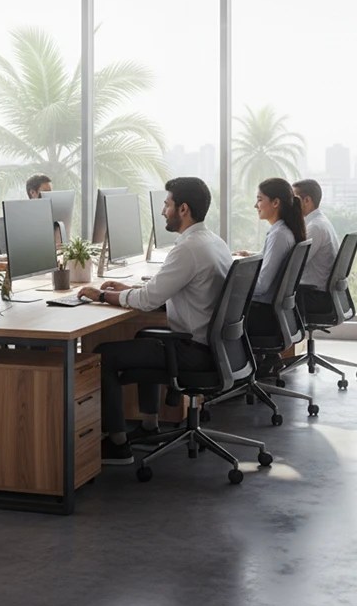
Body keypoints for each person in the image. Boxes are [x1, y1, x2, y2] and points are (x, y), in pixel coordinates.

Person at [76, 177, 232, 465]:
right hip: (217, 348)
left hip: (194, 352)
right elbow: (157, 293)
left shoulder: (187, 249)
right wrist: (125, 291)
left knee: (103, 356)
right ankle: (149, 424)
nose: (163, 211)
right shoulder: (213, 242)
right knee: (146, 337)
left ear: (183, 209)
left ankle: (118, 444)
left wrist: (100, 295)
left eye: (167, 204)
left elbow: (147, 302)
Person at [245, 178, 306, 303]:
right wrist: (251, 255)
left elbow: (262, 286)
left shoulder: (279, 235)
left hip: (261, 308)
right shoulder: (282, 231)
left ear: (275, 202)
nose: (256, 205)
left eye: (259, 199)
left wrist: (231, 284)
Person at [294, 178, 339, 289]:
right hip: (315, 290)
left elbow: (294, 265)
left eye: (294, 199)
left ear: (307, 200)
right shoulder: (320, 221)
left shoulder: (315, 227)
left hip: (311, 294)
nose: (291, 203)